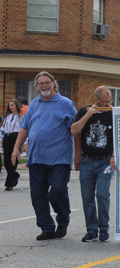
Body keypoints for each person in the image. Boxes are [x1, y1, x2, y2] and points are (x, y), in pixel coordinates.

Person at [11, 71, 77, 240]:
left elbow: (75, 129)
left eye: (47, 82)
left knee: (57, 190)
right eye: (41, 83)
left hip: (59, 157)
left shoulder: (66, 104)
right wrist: (16, 149)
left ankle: (62, 220)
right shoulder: (34, 104)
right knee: (38, 194)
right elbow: (24, 128)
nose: (44, 85)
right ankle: (46, 227)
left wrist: (79, 155)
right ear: (37, 86)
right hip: (36, 157)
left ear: (54, 84)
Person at [72, 86, 116, 242]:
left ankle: (104, 227)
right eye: (104, 102)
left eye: (109, 101)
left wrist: (113, 155)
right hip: (87, 160)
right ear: (96, 100)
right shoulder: (84, 111)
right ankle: (91, 230)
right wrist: (87, 116)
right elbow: (73, 130)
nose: (108, 104)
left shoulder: (113, 112)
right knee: (87, 197)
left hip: (105, 161)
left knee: (103, 194)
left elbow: (119, 134)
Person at [0, 99, 27, 190]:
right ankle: (14, 175)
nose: (11, 107)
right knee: (7, 161)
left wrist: (23, 143)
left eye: (12, 105)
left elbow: (24, 130)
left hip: (16, 138)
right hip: (7, 138)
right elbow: (3, 128)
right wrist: (1, 138)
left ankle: (9, 184)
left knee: (13, 160)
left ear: (16, 106)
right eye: (9, 105)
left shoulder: (20, 117)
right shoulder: (8, 116)